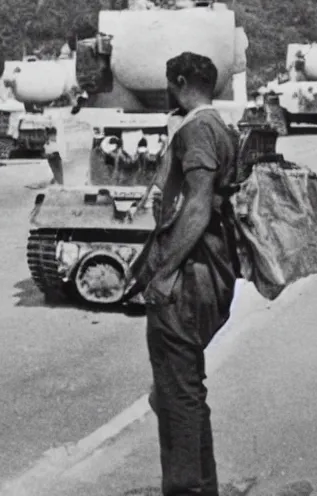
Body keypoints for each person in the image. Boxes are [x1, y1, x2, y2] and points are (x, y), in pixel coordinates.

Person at [122, 51, 240, 496]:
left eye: (171, 83)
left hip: (190, 278)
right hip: (208, 273)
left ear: (180, 80)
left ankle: (189, 489)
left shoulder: (198, 130)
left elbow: (196, 205)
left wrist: (165, 271)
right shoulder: (218, 125)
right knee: (177, 392)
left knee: (178, 397)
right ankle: (197, 486)